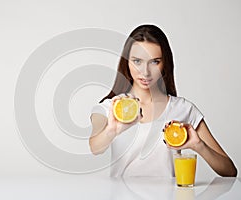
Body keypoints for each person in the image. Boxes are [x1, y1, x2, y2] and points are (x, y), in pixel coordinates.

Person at [89, 24, 237, 177]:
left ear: (165, 63)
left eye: (154, 62)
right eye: (137, 61)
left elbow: (230, 171)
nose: (145, 72)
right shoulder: (109, 108)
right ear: (126, 62)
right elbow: (95, 147)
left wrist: (198, 145)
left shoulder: (183, 109)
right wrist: (113, 130)